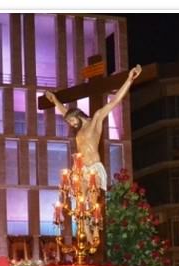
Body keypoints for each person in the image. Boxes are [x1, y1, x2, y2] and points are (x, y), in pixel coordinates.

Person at [44, 64, 142, 192]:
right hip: (81, 169)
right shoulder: (79, 129)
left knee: (94, 199)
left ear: (77, 115)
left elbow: (114, 101)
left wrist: (129, 79)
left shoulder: (96, 120)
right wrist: (54, 99)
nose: (71, 124)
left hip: (94, 167)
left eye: (72, 121)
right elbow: (64, 112)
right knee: (80, 201)